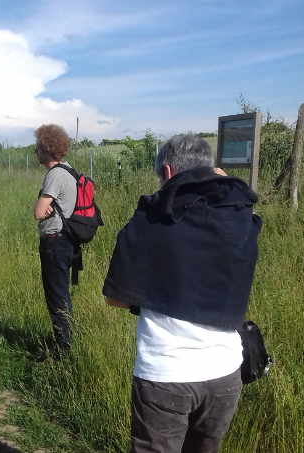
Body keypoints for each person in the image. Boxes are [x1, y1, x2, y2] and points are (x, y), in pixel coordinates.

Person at [103, 134, 262, 453]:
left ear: (168, 172)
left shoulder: (151, 219)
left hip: (167, 375)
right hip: (226, 372)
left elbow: (115, 297)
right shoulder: (241, 214)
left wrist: (161, 298)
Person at [32, 124, 77, 358]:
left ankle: (62, 351)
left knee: (56, 296)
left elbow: (38, 213)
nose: (35, 151)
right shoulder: (69, 170)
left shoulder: (55, 175)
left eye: (37, 146)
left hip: (55, 242)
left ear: (47, 149)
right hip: (67, 240)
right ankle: (63, 344)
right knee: (61, 293)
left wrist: (42, 206)